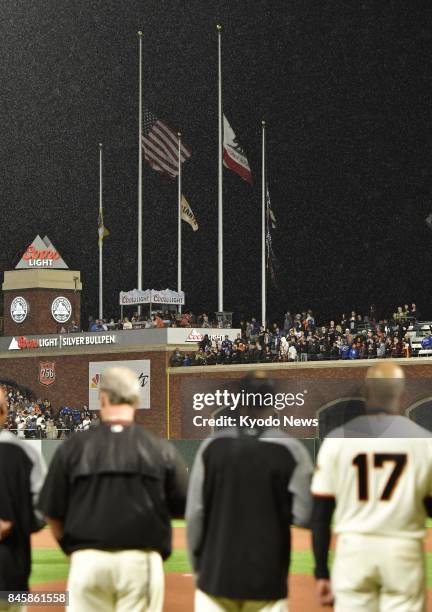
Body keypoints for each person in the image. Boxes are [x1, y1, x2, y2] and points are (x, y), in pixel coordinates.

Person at [38, 366, 188, 612]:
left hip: (87, 560)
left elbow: (52, 512)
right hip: (140, 560)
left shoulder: (72, 448)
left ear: (103, 398)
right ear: (136, 401)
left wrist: (73, 549)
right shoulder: (159, 449)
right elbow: (184, 507)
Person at [186, 373, 313, 611]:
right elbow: (305, 516)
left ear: (241, 403)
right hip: (267, 580)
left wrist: (198, 568)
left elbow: (195, 514)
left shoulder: (212, 447)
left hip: (216, 579)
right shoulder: (292, 451)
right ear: (273, 403)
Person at [311, 362, 432, 612]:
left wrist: (321, 571)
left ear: (366, 392)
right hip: (403, 550)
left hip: (354, 551)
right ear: (400, 392)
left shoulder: (336, 441)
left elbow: (320, 515)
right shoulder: (424, 441)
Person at [0, 386, 46, 606]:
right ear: (5, 411)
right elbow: (41, 511)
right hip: (11, 572)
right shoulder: (25, 453)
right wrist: (16, 522)